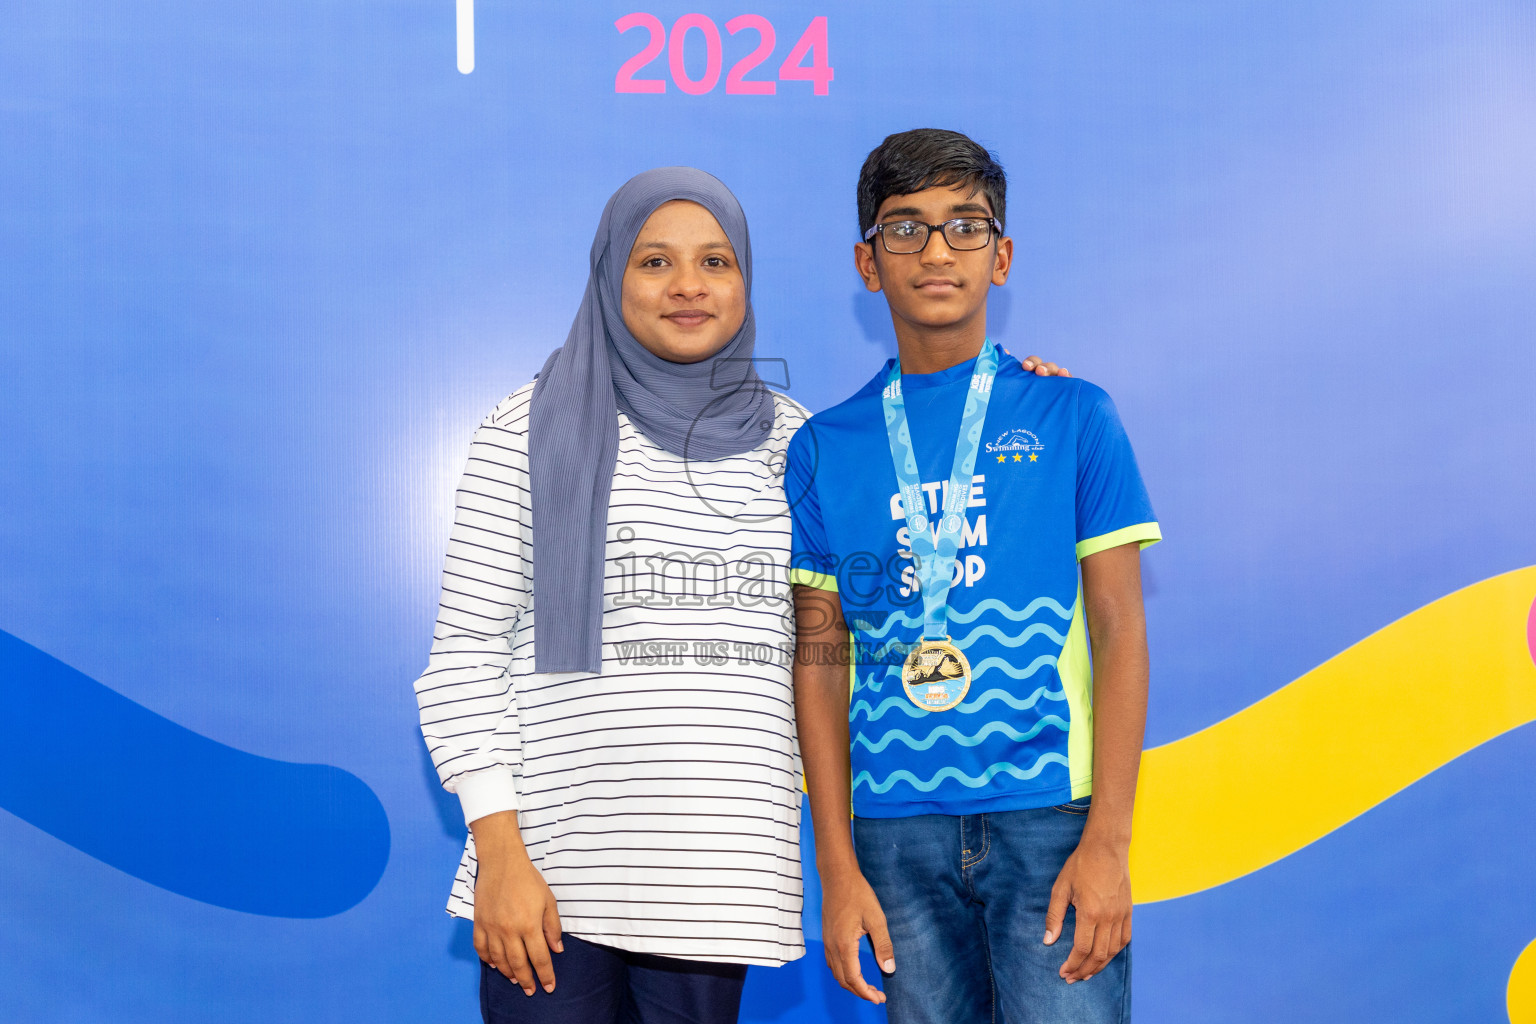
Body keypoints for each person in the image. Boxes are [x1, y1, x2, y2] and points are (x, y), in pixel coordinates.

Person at [412, 165, 1072, 1024]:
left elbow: (868, 609)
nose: (688, 286)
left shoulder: (798, 441)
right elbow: (464, 655)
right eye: (655, 262)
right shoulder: (525, 429)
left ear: (745, 281)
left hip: (716, 881)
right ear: (611, 275)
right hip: (549, 878)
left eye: (715, 262)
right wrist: (495, 845)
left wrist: (1031, 398)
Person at [787, 128, 1160, 1024]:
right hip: (892, 832)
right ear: (867, 264)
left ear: (1003, 254)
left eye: (966, 225)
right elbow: (818, 656)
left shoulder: (1073, 413)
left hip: (1051, 817)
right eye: (905, 228)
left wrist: (1109, 839)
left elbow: (1120, 630)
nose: (938, 250)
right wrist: (836, 868)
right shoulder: (822, 446)